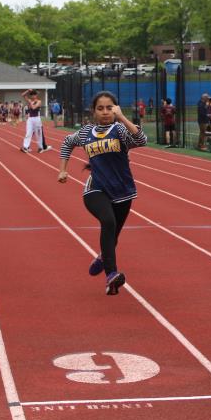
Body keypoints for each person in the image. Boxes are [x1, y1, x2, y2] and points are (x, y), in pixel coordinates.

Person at [58, 91, 147, 295]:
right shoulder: (85, 132)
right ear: (93, 111)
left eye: (109, 108)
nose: (105, 112)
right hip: (95, 188)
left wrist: (122, 117)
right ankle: (111, 275)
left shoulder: (120, 130)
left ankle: (102, 257)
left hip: (122, 190)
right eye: (100, 108)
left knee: (112, 236)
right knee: (108, 221)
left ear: (115, 109)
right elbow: (67, 142)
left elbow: (141, 140)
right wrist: (62, 169)